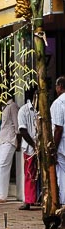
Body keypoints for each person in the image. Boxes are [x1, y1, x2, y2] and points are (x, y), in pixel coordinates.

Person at [0, 97, 19, 203]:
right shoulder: (4, 107)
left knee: (3, 165)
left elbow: (17, 124)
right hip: (3, 140)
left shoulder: (12, 106)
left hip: (10, 139)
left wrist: (18, 140)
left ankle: (1, 195)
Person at [18, 86, 39, 210]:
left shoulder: (42, 109)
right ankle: (28, 200)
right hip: (30, 148)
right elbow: (22, 130)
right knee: (30, 173)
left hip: (41, 145)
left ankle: (38, 198)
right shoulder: (23, 110)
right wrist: (34, 145)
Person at [51, 77, 65, 206]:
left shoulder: (58, 103)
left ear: (60, 86)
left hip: (62, 147)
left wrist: (53, 148)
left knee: (62, 175)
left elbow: (58, 128)